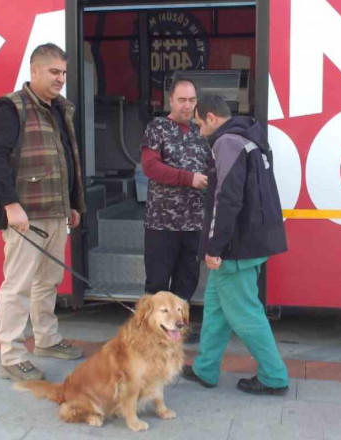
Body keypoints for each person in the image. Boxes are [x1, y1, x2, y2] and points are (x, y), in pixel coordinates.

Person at [0, 43, 86, 381]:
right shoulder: (11, 107)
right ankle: (11, 356)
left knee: (48, 280)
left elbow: (66, 159)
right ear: (34, 71)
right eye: (54, 72)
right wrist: (11, 205)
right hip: (27, 215)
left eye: (63, 72)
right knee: (19, 285)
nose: (60, 79)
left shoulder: (59, 108)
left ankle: (46, 340)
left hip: (55, 211)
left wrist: (72, 204)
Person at [180, 95, 289, 395]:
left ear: (212, 117)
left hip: (236, 248)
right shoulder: (248, 136)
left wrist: (214, 247)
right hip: (250, 240)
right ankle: (206, 369)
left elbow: (226, 200)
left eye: (201, 124)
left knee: (245, 314)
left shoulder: (227, 142)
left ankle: (273, 376)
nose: (201, 132)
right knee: (215, 309)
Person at [141, 78, 212, 343]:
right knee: (158, 281)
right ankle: (151, 332)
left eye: (192, 100)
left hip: (194, 221)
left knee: (187, 279)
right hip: (162, 222)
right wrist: (188, 178)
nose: (187, 106)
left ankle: (178, 330)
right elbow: (151, 167)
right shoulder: (157, 127)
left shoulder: (200, 131)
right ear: (170, 100)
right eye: (182, 100)